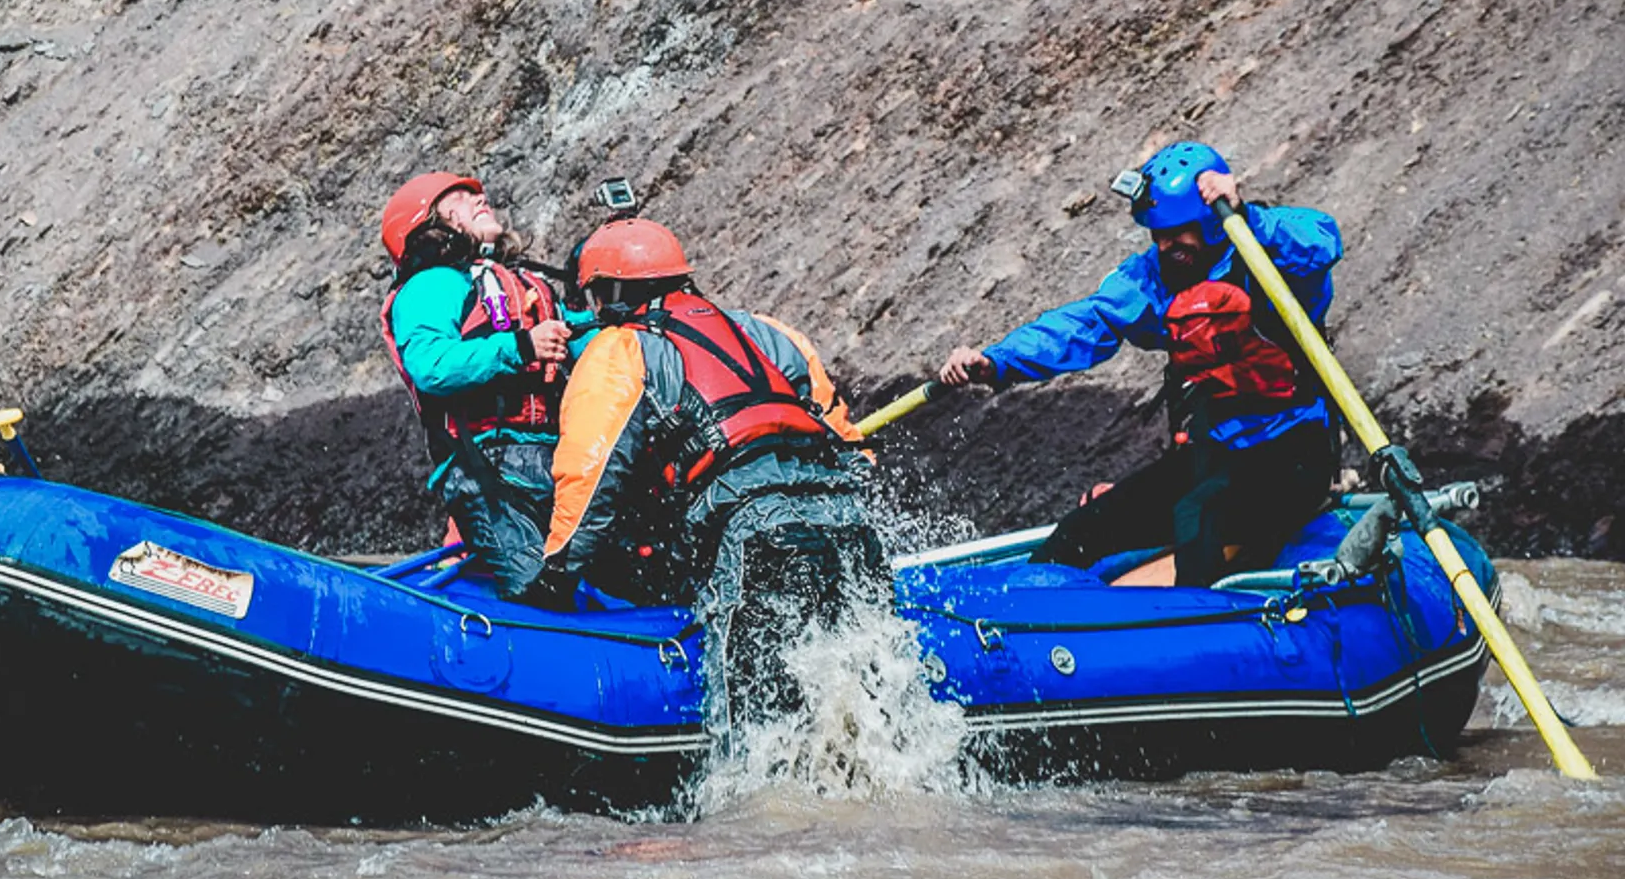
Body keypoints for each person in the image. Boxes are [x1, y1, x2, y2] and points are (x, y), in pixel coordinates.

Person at [526, 217, 886, 720]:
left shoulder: (619, 349)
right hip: (845, 521)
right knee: (873, 699)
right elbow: (851, 448)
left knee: (754, 723)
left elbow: (590, 476)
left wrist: (557, 577)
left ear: (608, 291)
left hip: (753, 536)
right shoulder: (769, 330)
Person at [937, 142, 1343, 587]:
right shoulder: (1155, 279)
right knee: (1083, 529)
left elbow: (1323, 241)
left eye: (1178, 231)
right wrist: (996, 362)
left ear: (1209, 222)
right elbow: (1081, 325)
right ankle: (1026, 613)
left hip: (1293, 454)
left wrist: (1245, 215)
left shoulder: (1273, 262)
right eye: (1158, 233)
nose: (1168, 245)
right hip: (1215, 453)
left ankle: (1190, 628)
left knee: (1199, 515)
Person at [379, 171, 588, 599]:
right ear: (429, 222)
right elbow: (432, 365)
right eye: (460, 196)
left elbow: (589, 340)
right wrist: (523, 346)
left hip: (559, 462)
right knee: (541, 590)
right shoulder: (433, 284)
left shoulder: (523, 285)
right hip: (491, 465)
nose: (480, 198)